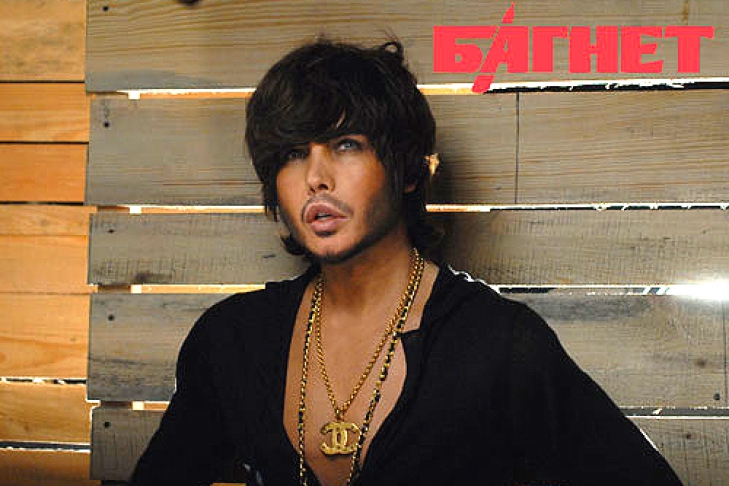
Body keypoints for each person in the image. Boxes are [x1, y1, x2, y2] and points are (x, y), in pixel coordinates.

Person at [130, 39, 683, 486]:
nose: (316, 177)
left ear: (408, 170)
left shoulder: (498, 343)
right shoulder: (232, 341)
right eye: (293, 154)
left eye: (346, 144)